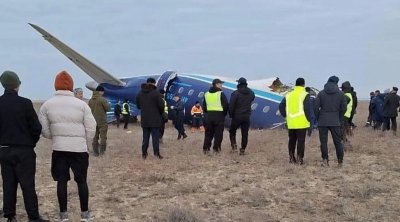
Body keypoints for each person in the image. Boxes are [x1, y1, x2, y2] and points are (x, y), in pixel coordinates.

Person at [39, 71, 96, 222]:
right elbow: (92, 127)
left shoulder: (47, 105)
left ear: (55, 85)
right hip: (79, 149)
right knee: (82, 181)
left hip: (59, 149)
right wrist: (84, 141)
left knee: (61, 181)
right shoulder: (82, 105)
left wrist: (55, 137)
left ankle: (63, 215)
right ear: (71, 86)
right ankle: (85, 214)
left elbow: (44, 130)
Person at [0, 71, 49, 222]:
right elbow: (36, 128)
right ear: (16, 85)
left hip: (4, 150)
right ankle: (33, 217)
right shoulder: (25, 103)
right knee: (27, 185)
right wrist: (30, 143)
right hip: (24, 151)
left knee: (8, 184)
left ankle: (10, 216)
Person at [314, 76, 347, 167]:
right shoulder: (341, 94)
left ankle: (325, 160)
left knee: (323, 142)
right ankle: (340, 162)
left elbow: (316, 107)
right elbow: (344, 108)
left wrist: (318, 118)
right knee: (338, 142)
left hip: (323, 121)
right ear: (337, 83)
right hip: (335, 121)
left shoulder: (321, 93)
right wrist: (339, 118)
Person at [279, 78, 310, 164]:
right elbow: (307, 109)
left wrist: (286, 116)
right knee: (301, 141)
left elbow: (281, 106)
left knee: (291, 141)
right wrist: (308, 120)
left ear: (295, 85)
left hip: (291, 122)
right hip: (301, 122)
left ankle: (291, 159)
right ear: (303, 85)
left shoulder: (288, 95)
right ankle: (300, 159)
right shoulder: (305, 94)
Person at [136, 78, 165, 159]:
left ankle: (144, 154)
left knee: (145, 138)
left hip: (144, 119)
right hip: (155, 119)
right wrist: (159, 113)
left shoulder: (140, 93)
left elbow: (138, 106)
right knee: (155, 138)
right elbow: (161, 106)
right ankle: (156, 153)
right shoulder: (156, 93)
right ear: (153, 83)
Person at [228, 77, 255, 155]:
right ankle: (243, 149)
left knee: (232, 131)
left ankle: (234, 147)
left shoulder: (235, 93)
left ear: (239, 83)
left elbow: (231, 105)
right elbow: (252, 98)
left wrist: (231, 114)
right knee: (245, 133)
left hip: (237, 116)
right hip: (246, 116)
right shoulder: (251, 93)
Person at [202, 78, 229, 154]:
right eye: (221, 84)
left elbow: (204, 106)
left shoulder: (206, 94)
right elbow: (226, 105)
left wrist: (208, 112)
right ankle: (216, 149)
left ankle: (206, 149)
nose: (222, 85)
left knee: (208, 134)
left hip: (209, 116)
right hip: (219, 116)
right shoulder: (220, 93)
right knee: (218, 134)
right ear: (217, 84)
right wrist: (224, 114)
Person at [88, 85, 110, 156]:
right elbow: (108, 109)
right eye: (103, 91)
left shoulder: (90, 100)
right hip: (102, 121)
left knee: (95, 137)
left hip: (93, 121)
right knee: (103, 137)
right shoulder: (102, 99)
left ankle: (95, 152)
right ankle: (102, 152)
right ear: (100, 91)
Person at [341, 81, 354, 150]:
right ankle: (346, 144)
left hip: (344, 115)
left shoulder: (346, 95)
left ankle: (346, 145)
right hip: (347, 115)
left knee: (341, 132)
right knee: (343, 131)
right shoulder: (349, 94)